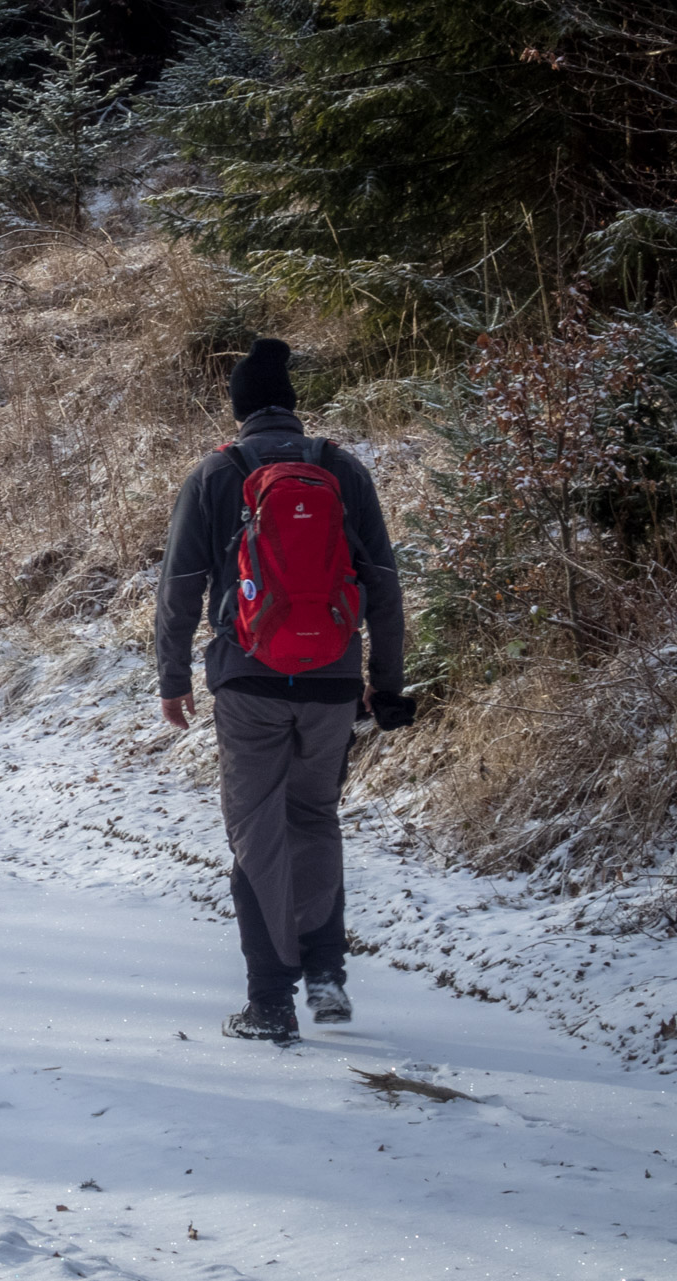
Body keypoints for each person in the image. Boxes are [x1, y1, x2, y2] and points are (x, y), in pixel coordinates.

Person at [154, 338, 412, 1043]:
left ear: (238, 412)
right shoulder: (342, 470)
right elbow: (384, 589)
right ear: (294, 411)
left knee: (255, 833)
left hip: (249, 683)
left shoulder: (217, 473)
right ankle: (327, 981)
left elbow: (178, 590)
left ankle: (270, 1003)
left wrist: (172, 679)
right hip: (332, 683)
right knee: (314, 820)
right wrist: (385, 686)